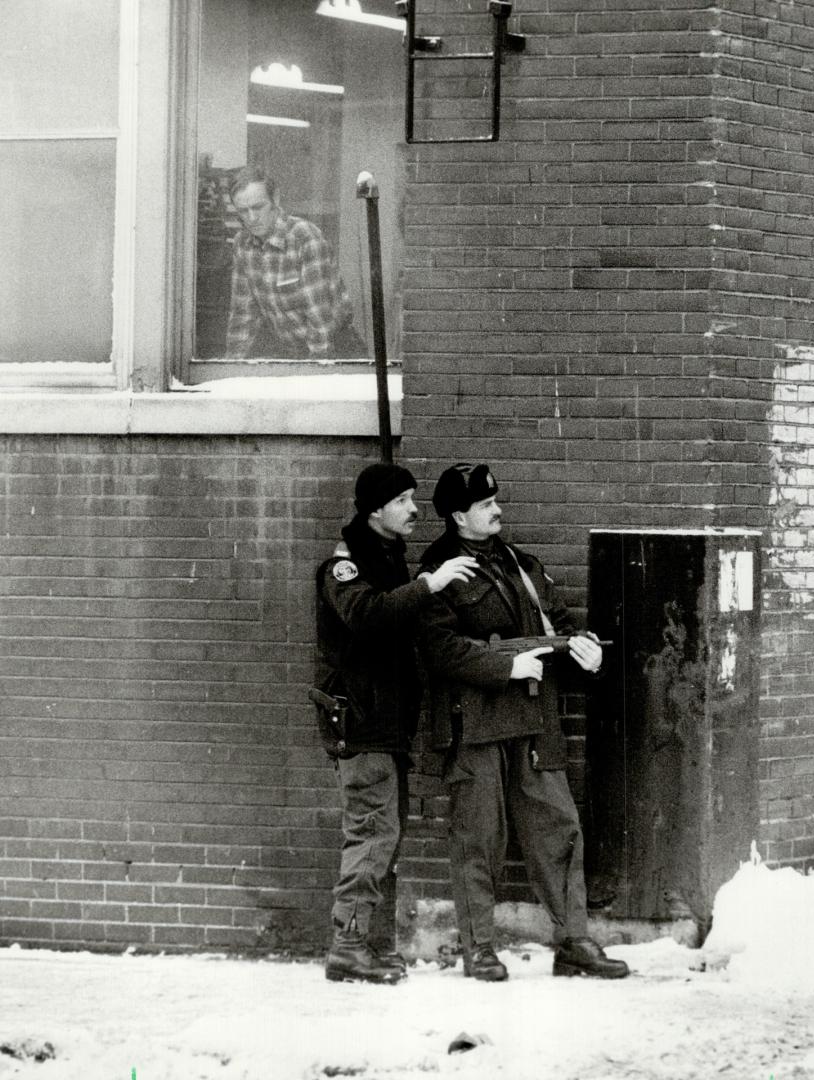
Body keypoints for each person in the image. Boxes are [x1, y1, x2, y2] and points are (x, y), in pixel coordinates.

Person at [417, 463, 630, 982]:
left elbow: (560, 620)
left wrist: (587, 651)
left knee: (560, 830)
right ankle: (480, 949)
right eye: (486, 505)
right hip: (475, 726)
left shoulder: (521, 565)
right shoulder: (439, 573)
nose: (498, 511)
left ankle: (574, 941)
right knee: (478, 840)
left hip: (534, 723)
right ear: (458, 516)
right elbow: (438, 650)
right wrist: (505, 666)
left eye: (496, 502)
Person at [314, 462, 478, 984]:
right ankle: (348, 946)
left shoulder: (386, 560)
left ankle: (369, 944)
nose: (414, 509)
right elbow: (368, 615)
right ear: (374, 510)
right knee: (371, 833)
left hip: (387, 728)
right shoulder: (344, 568)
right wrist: (430, 585)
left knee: (385, 835)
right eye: (403, 500)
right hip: (364, 730)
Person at [225, 164, 365, 359]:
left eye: (258, 207)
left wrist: (314, 377)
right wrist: (232, 368)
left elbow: (321, 326)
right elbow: (242, 316)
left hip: (335, 351)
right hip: (291, 353)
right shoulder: (242, 244)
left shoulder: (305, 238)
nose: (252, 218)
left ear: (275, 199)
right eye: (243, 211)